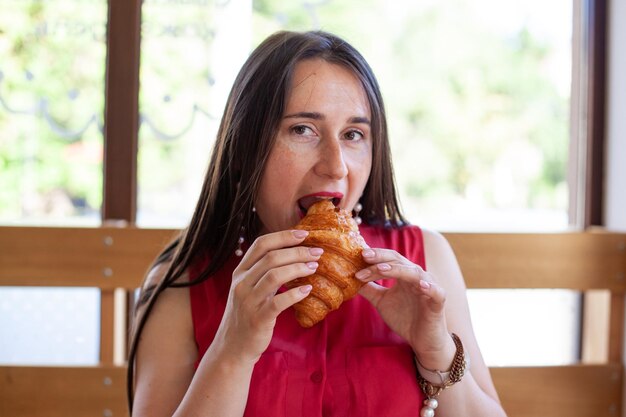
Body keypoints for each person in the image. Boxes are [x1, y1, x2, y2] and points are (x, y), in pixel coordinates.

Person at [127, 30, 507, 417]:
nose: (336, 165)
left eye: (353, 134)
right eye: (303, 130)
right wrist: (232, 351)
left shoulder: (424, 262)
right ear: (243, 148)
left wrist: (436, 352)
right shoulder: (183, 284)